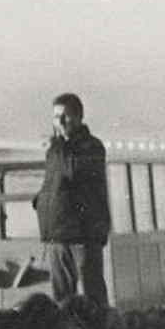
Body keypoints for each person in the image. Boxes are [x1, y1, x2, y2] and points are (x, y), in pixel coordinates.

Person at [32, 92, 109, 305]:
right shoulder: (56, 150)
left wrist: (59, 146)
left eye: (65, 116)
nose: (60, 122)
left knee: (91, 294)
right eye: (56, 117)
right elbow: (54, 182)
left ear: (78, 117)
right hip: (58, 233)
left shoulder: (91, 147)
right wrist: (40, 202)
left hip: (83, 233)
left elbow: (73, 172)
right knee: (62, 298)